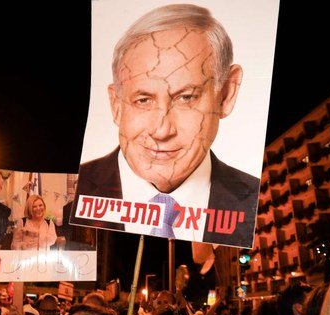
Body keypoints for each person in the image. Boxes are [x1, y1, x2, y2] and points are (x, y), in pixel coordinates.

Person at [71, 3, 259, 246]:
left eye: (186, 97)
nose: (161, 131)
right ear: (116, 105)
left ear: (226, 94)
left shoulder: (256, 205)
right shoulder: (73, 199)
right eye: (143, 100)